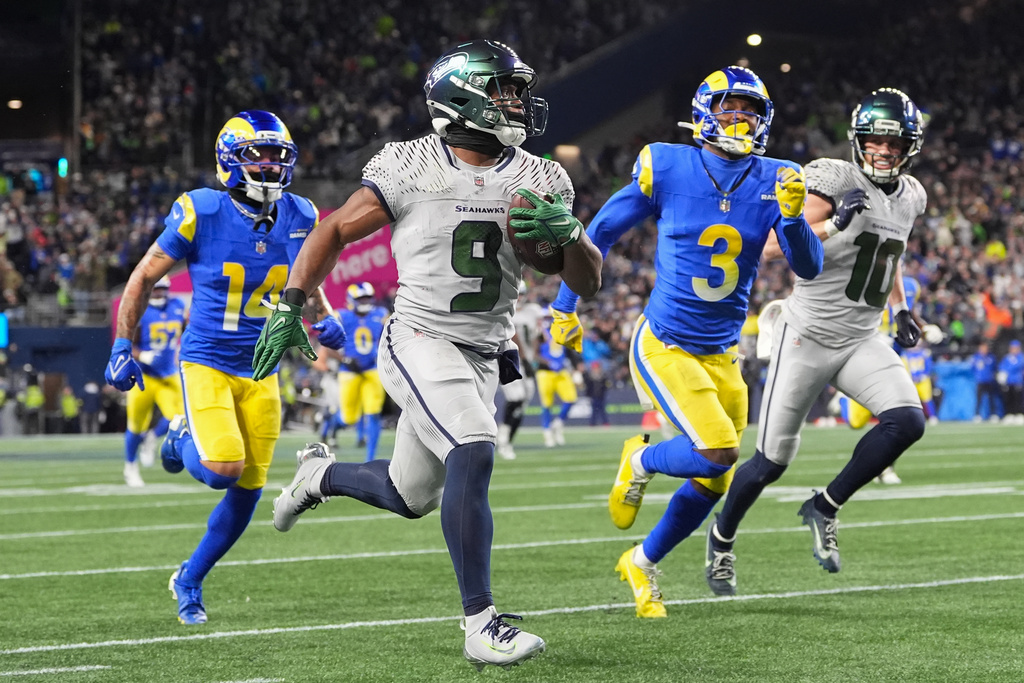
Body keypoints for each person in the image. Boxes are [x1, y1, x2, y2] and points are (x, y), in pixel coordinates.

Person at [250, 40, 603, 669]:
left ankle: (319, 477)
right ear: (462, 96)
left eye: (517, 91)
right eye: (502, 90)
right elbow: (333, 229)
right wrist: (290, 303)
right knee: (474, 445)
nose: (516, 102)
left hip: (484, 349)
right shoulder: (410, 164)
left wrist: (571, 237)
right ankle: (481, 623)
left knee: (409, 494)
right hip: (419, 336)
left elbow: (584, 279)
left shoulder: (542, 175)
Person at [548, 66, 824, 618]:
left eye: (750, 110)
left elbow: (809, 266)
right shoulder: (667, 165)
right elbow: (600, 231)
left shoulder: (779, 178)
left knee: (716, 479)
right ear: (703, 113)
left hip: (723, 353)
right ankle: (642, 458)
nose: (740, 118)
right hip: (666, 342)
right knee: (718, 451)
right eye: (729, 107)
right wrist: (564, 303)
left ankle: (641, 562)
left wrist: (793, 218)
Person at [104, 110, 332, 624]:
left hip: (262, 367)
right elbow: (142, 277)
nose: (270, 165)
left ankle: (190, 579)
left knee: (249, 490)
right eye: (259, 155)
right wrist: (122, 344)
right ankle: (178, 435)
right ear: (230, 160)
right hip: (207, 358)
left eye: (277, 155)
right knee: (222, 471)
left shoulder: (301, 213)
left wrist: (324, 319)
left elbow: (307, 278)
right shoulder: (200, 210)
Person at [707, 88, 931, 596]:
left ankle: (825, 506)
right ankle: (721, 540)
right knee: (770, 462)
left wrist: (900, 308)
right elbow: (768, 247)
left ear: (909, 148)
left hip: (861, 337)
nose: (884, 151)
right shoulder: (833, 179)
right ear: (858, 140)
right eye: (875, 141)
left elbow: (891, 253)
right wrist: (833, 223)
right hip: (806, 335)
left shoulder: (912, 195)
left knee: (907, 421)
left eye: (895, 144)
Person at [120, 276, 187, 487]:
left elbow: (187, 330)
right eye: (155, 289)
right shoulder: (140, 310)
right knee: (135, 426)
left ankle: (152, 437)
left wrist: (184, 348)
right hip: (144, 377)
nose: (158, 293)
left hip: (168, 374)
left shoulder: (178, 305)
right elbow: (126, 343)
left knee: (180, 418)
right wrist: (143, 355)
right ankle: (130, 466)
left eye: (162, 288)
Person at [312, 282, 388, 461]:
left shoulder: (381, 315)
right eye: (361, 299)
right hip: (349, 371)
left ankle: (370, 459)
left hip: (372, 369)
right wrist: (344, 359)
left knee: (373, 413)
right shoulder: (341, 316)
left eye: (367, 298)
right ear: (351, 300)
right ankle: (331, 423)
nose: (365, 302)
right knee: (348, 419)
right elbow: (324, 343)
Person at [496, 285, 545, 460]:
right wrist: (524, 358)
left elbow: (537, 337)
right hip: (510, 360)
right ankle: (503, 438)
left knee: (522, 405)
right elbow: (512, 336)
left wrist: (534, 358)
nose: (520, 297)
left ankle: (506, 438)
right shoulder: (503, 309)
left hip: (528, 363)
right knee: (516, 398)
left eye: (522, 293)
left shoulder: (533, 311)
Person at [535, 324, 580, 447]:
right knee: (547, 404)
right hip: (545, 372)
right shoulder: (540, 332)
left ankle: (558, 424)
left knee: (571, 398)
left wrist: (576, 369)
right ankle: (547, 432)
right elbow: (534, 352)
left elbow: (570, 352)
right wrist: (548, 362)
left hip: (561, 371)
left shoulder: (564, 332)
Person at [972, 342, 1000, 422]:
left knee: (991, 398)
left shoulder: (991, 357)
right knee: (979, 399)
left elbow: (995, 368)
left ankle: (993, 414)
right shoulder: (976, 358)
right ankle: (977, 414)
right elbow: (972, 369)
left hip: (989, 381)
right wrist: (977, 376)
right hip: (980, 381)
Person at [997, 340, 1023, 423]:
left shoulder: (1021, 357)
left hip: (1018, 381)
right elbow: (1002, 368)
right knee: (1009, 398)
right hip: (1009, 381)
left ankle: (1019, 413)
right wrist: (1002, 377)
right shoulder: (1007, 358)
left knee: (1018, 399)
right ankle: (1009, 413)